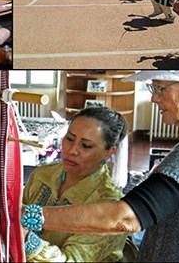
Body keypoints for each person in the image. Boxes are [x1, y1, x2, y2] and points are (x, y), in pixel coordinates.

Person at [21, 70, 179, 262]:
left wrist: (29, 217)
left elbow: (125, 218)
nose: (153, 97)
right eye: (153, 88)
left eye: (161, 88)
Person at [22, 107, 128, 262]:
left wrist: (26, 239)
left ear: (109, 152)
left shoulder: (109, 205)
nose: (72, 150)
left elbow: (71, 260)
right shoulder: (42, 175)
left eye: (86, 146)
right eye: (70, 138)